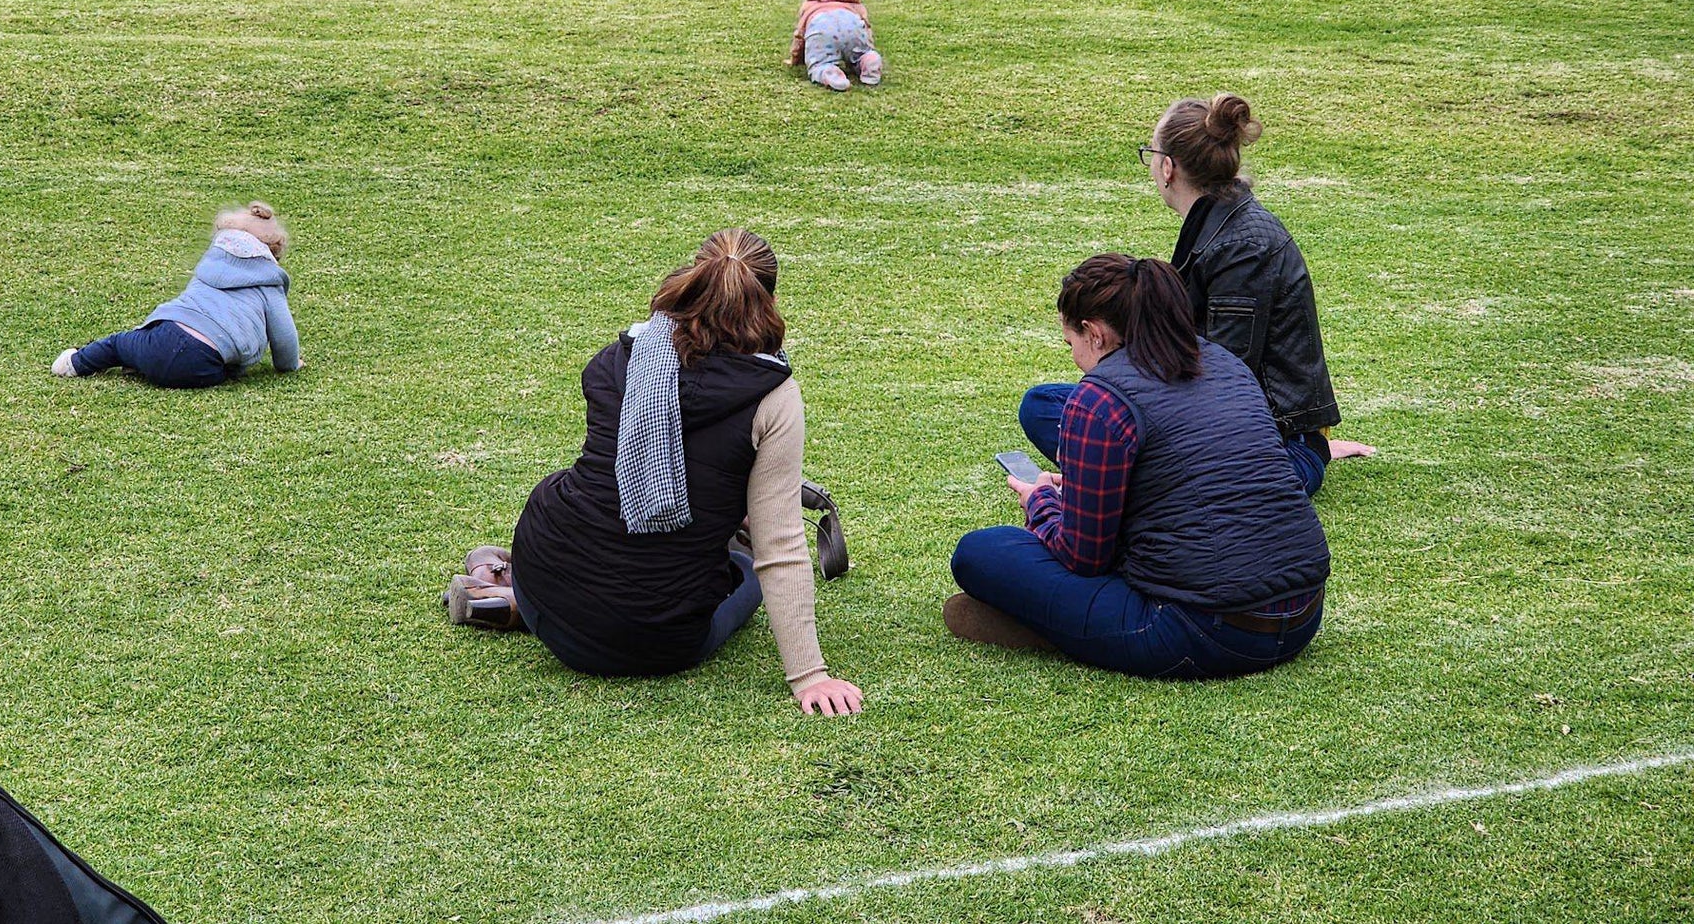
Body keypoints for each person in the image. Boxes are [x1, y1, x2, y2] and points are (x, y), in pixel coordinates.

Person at [448, 229, 864, 718]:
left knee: (574, 493)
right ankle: (511, 594)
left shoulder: (620, 355)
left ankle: (512, 593)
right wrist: (810, 677)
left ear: (693, 280)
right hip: (652, 638)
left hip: (549, 585)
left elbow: (625, 475)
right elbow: (780, 548)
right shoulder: (774, 396)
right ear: (767, 298)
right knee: (746, 566)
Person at [948, 254, 1331, 679]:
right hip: (1304, 614)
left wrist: (1040, 501)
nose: (1073, 356)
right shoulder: (1227, 364)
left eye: (1070, 344)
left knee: (980, 553)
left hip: (1207, 631)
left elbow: (1084, 556)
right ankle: (1073, 623)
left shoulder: (1098, 401)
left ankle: (1062, 629)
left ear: (1094, 334)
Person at [1021, 93, 1371, 496]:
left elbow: (1224, 378)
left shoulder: (1244, 246)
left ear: (1167, 167)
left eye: (1150, 153)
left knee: (1090, 420)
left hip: (1266, 447)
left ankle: (1132, 484)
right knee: (1046, 405)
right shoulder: (1221, 226)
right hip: (1223, 430)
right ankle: (1135, 478)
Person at [52, 201, 301, 388]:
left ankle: (74, 364)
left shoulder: (209, 266)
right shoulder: (270, 283)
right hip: (204, 367)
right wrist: (289, 365)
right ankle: (154, 366)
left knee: (118, 344)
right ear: (272, 253)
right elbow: (284, 335)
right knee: (228, 372)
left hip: (163, 337)